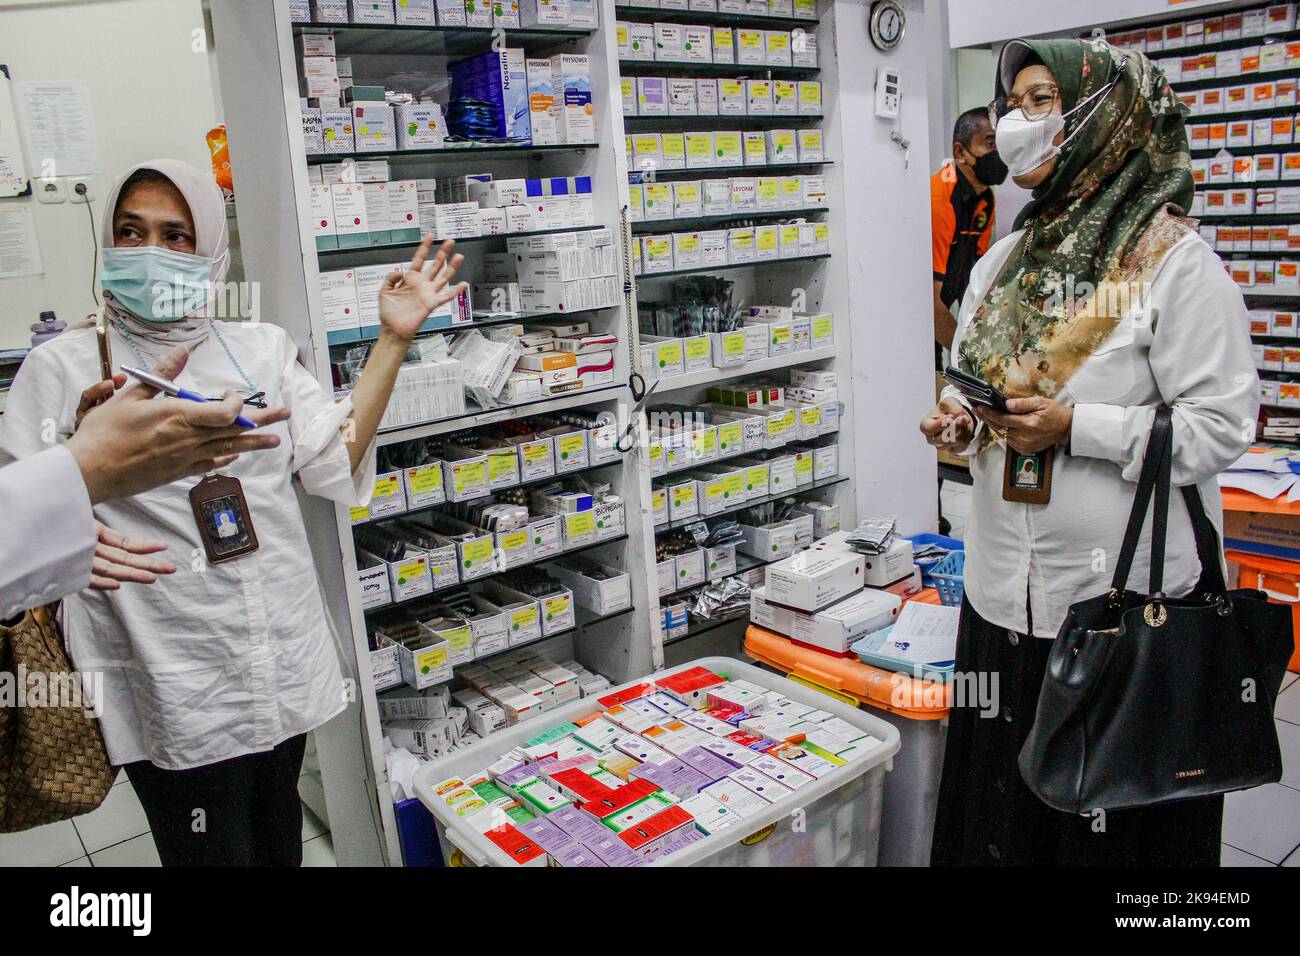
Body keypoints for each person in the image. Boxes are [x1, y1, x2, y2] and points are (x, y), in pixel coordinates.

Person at [1, 158, 466, 866]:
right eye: (131, 232)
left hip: (276, 652)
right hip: (165, 669)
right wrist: (79, 466)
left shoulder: (259, 348)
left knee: (278, 843)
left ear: (212, 249)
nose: (151, 252)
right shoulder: (62, 368)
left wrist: (394, 339)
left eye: (175, 235)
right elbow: (19, 522)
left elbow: (331, 462)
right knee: (209, 853)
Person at [918, 38, 1257, 866]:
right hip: (1002, 600)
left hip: (1122, 612)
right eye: (1012, 103)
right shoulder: (1004, 260)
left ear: (1110, 115)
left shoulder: (1177, 264)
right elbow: (974, 380)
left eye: (1042, 101)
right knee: (1005, 821)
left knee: (1112, 838)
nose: (1015, 123)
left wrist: (1080, 429)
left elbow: (1220, 426)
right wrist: (958, 420)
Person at [1, 346, 288, 620]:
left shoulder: (267, 343)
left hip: (286, 609)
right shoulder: (54, 361)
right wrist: (88, 465)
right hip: (146, 614)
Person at [931, 107, 1005, 357]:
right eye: (990, 143)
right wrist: (968, 355)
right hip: (918, 311)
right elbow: (928, 303)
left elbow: (975, 276)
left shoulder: (985, 198)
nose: (998, 153)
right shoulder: (939, 200)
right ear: (960, 152)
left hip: (945, 299)